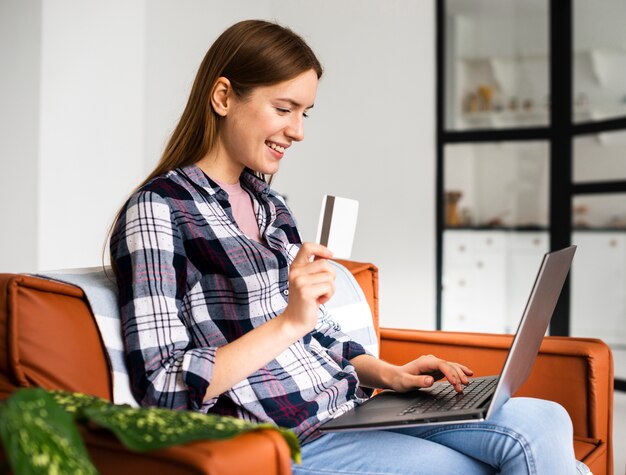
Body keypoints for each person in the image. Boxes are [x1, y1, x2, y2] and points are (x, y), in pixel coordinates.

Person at [110, 19, 582, 474]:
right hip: (287, 434)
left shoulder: (270, 205)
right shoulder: (159, 210)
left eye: (304, 113)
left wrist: (389, 373)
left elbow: (321, 332)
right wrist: (290, 321)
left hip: (353, 408)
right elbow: (163, 385)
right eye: (284, 108)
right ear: (223, 96)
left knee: (547, 420)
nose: (298, 131)